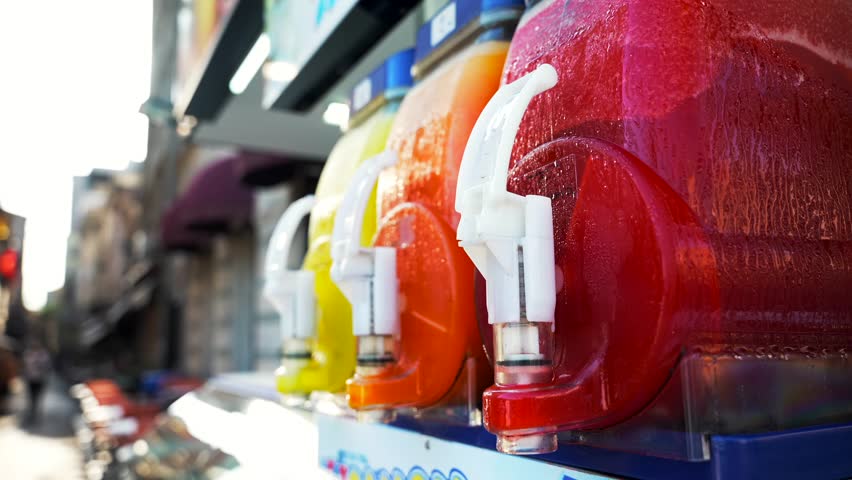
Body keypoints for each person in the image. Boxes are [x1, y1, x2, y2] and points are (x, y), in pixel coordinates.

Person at [21, 340, 50, 423]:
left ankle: (35, 412)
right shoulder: (28, 353)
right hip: (30, 378)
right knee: (31, 396)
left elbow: (46, 366)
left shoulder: (43, 354)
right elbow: (24, 365)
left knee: (37, 396)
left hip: (40, 379)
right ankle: (31, 412)